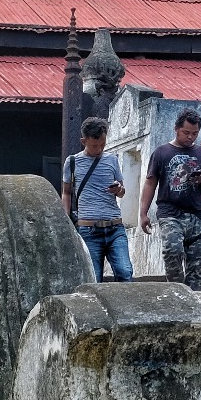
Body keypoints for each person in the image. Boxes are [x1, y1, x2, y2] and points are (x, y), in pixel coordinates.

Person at [140, 109, 201, 290]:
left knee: (196, 265)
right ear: (176, 129)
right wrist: (143, 213)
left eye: (194, 134)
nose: (190, 137)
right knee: (172, 251)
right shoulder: (161, 152)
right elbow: (150, 183)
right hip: (169, 212)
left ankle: (194, 298)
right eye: (186, 133)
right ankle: (176, 290)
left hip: (196, 215)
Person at [62, 117, 132, 283]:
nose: (99, 149)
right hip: (88, 230)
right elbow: (66, 193)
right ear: (83, 141)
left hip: (115, 227)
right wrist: (66, 220)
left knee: (125, 272)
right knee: (93, 279)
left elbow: (122, 192)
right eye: (95, 145)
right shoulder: (72, 162)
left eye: (102, 144)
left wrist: (118, 190)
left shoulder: (112, 160)